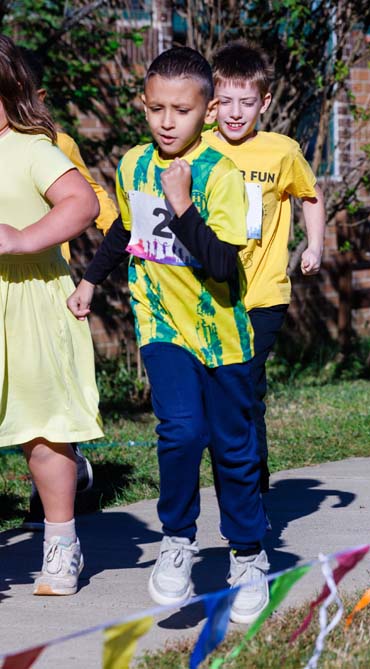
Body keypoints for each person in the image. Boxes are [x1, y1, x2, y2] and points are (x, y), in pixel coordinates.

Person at [66, 47, 269, 623]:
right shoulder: (133, 164)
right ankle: (177, 541)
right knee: (181, 431)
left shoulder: (221, 176)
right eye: (156, 108)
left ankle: (248, 556)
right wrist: (90, 281)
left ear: (206, 112)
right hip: (160, 326)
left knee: (235, 449)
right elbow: (125, 230)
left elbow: (225, 266)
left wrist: (183, 207)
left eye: (181, 110)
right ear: (144, 105)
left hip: (224, 337)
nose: (167, 122)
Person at [0, 34, 103, 595]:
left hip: (30, 300)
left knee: (42, 434)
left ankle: (61, 547)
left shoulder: (32, 147)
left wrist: (21, 238)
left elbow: (83, 204)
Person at [203, 40, 326, 493]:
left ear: (265, 103)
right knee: (221, 394)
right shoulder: (196, 149)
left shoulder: (280, 151)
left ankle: (251, 479)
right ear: (210, 103)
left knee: (244, 383)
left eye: (247, 102)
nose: (236, 113)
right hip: (209, 295)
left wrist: (314, 246)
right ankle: (238, 475)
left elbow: (310, 195)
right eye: (225, 102)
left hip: (263, 292)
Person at [17, 46, 120, 531]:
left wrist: (117, 236)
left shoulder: (52, 143)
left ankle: (58, 496)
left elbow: (91, 197)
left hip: (37, 279)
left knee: (44, 401)